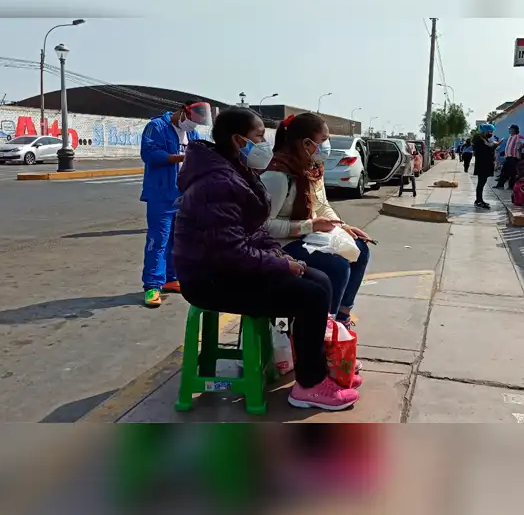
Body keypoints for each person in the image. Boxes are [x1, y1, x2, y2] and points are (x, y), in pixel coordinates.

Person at [173, 108, 361, 410]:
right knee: (311, 295)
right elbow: (231, 251)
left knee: (320, 280)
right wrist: (282, 263)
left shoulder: (233, 169)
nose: (265, 143)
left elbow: (253, 231)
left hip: (228, 268)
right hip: (210, 279)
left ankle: (315, 370)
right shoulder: (216, 182)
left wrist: (279, 257)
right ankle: (310, 386)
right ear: (238, 140)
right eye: (259, 136)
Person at [261, 113, 373, 330]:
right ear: (306, 143)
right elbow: (263, 227)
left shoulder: (311, 169)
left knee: (360, 250)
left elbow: (321, 205)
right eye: (324, 139)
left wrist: (342, 226)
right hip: (280, 244)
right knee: (337, 267)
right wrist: (310, 226)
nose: (327, 145)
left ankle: (341, 317)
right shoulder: (278, 175)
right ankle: (323, 329)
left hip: (306, 236)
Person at [139, 101, 210, 308]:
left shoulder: (193, 135)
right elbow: (149, 154)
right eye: (191, 121)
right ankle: (152, 285)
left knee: (178, 240)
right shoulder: (157, 127)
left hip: (183, 195)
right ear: (182, 111)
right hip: (161, 194)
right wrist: (179, 157)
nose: (192, 126)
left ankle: (172, 278)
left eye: (196, 123)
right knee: (158, 239)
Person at [472, 123, 502, 209]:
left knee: (482, 183)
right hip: (482, 165)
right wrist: (496, 145)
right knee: (481, 183)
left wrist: (494, 145)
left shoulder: (484, 139)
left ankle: (480, 200)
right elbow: (486, 149)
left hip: (485, 164)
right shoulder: (479, 140)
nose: (491, 133)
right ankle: (478, 200)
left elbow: (489, 147)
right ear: (485, 132)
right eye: (490, 131)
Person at [494, 124, 524, 190]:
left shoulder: (518, 136)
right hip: (508, 157)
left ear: (514, 130)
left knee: (512, 172)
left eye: (510, 129)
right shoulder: (510, 137)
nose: (509, 130)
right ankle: (502, 184)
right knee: (506, 171)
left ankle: (508, 185)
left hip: (514, 157)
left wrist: (520, 147)